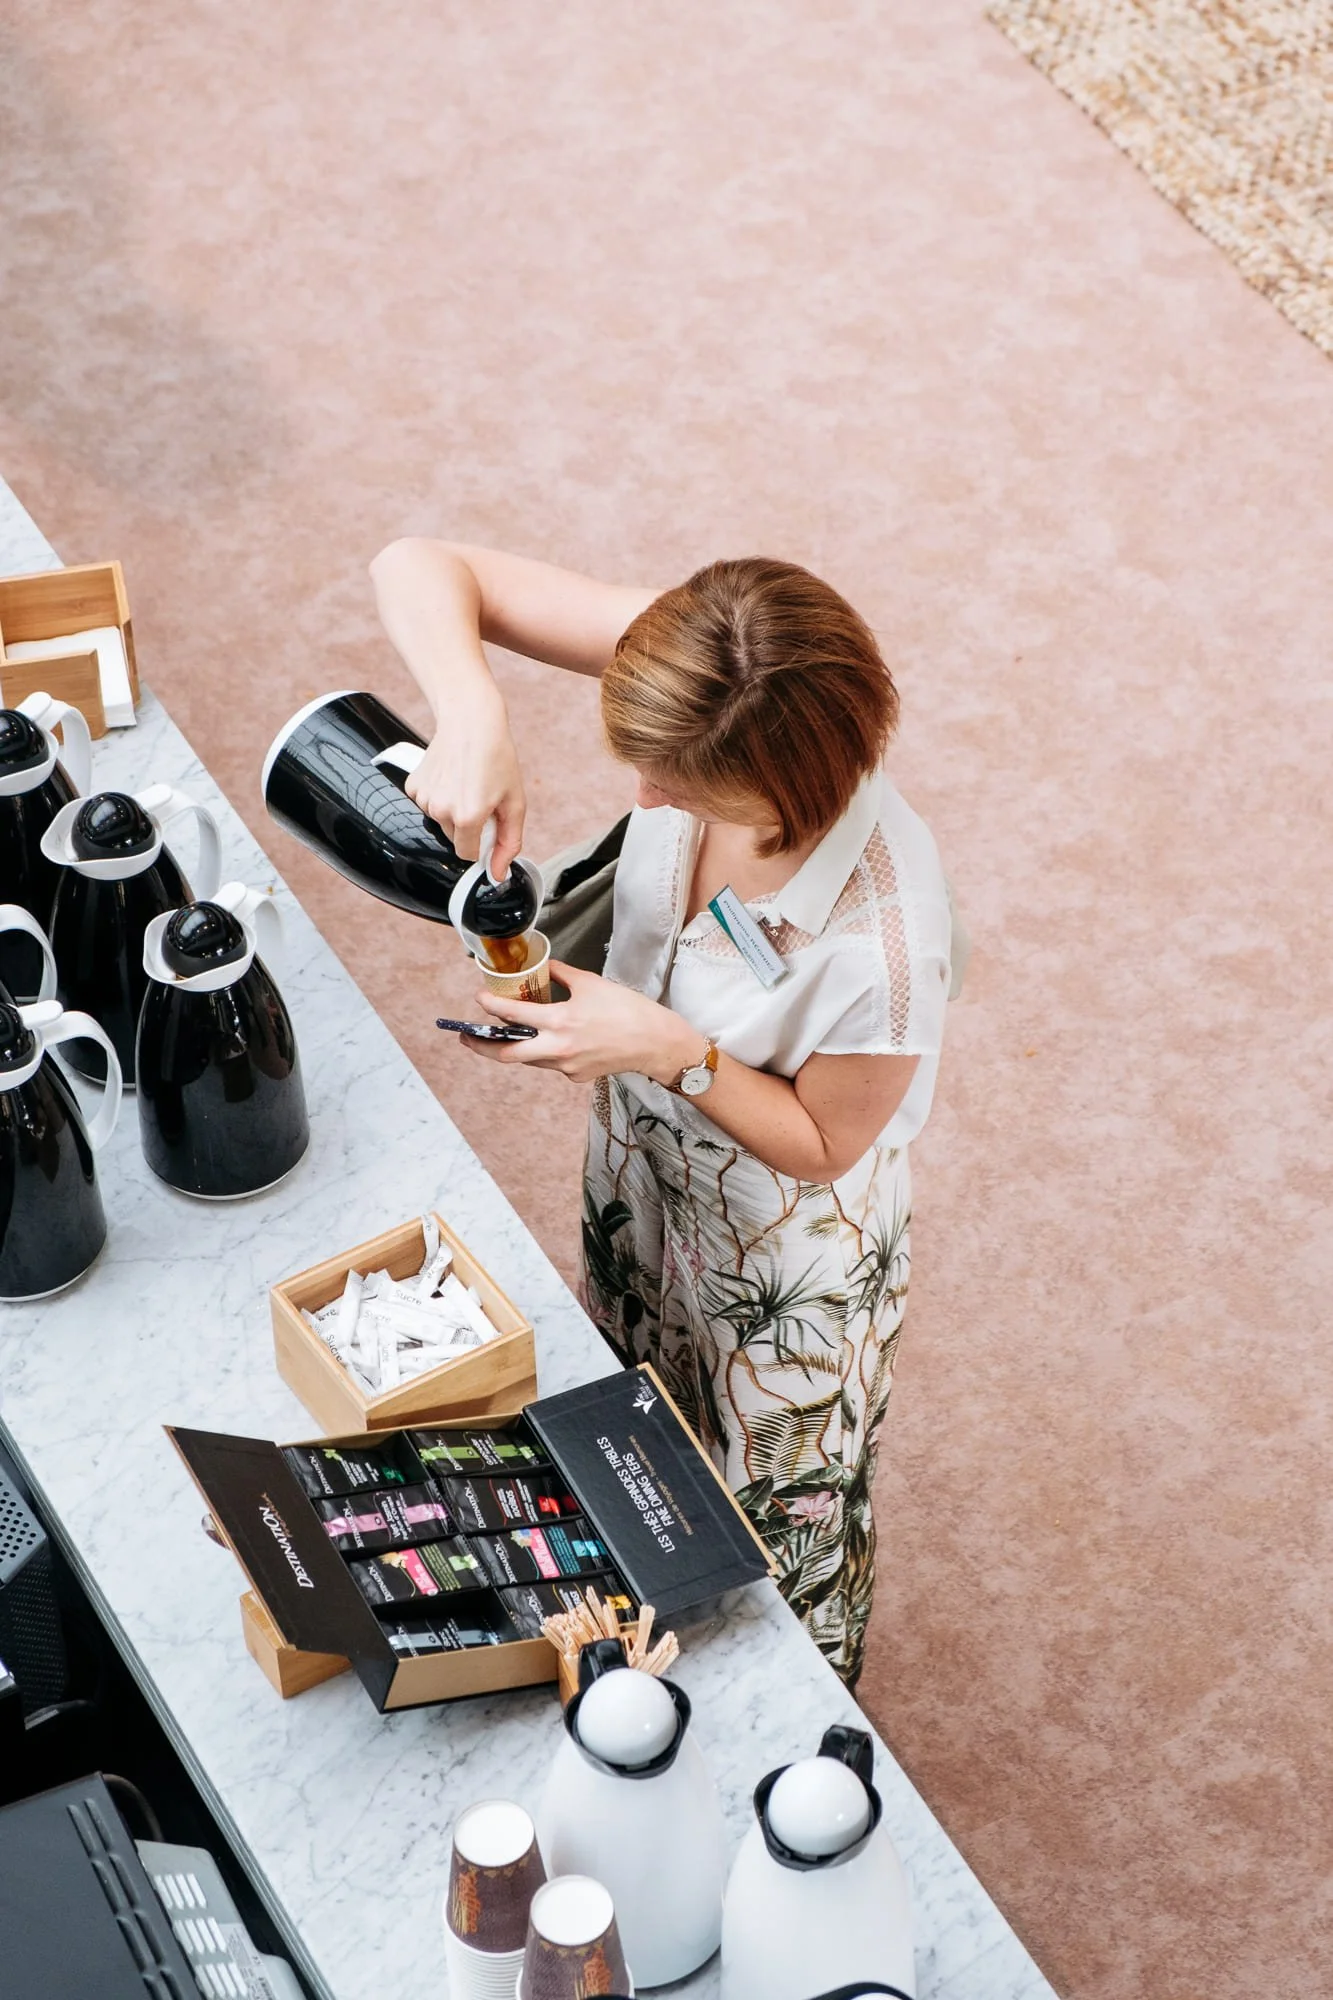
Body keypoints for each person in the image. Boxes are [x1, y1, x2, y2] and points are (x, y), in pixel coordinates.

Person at [371, 541, 953, 1685]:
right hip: (638, 1154)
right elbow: (419, 561)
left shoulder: (888, 939)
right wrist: (469, 704)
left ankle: (792, 1733)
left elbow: (829, 1144)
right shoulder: (715, 664)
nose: (642, 797)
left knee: (774, 1514)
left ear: (786, 782)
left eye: (675, 786)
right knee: (626, 1419)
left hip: (785, 1243)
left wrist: (671, 1048)